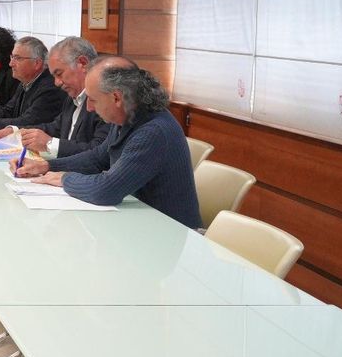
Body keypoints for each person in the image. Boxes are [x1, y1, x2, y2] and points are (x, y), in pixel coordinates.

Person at [12, 58, 201, 230]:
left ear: (117, 98)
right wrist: (46, 166)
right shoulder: (127, 115)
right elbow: (97, 157)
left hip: (167, 232)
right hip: (138, 223)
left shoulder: (153, 132)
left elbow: (106, 190)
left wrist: (63, 179)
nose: (89, 108)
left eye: (93, 100)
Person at [0, 36, 111, 158]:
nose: (57, 83)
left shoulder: (105, 99)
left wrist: (50, 144)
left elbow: (99, 152)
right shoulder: (72, 96)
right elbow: (55, 127)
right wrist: (16, 132)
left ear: (83, 64)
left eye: (59, 74)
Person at [0, 36, 67, 131]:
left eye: (17, 58)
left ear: (37, 63)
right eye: (12, 57)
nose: (11, 63)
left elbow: (27, 122)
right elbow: (9, 111)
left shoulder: (50, 88)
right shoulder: (26, 81)